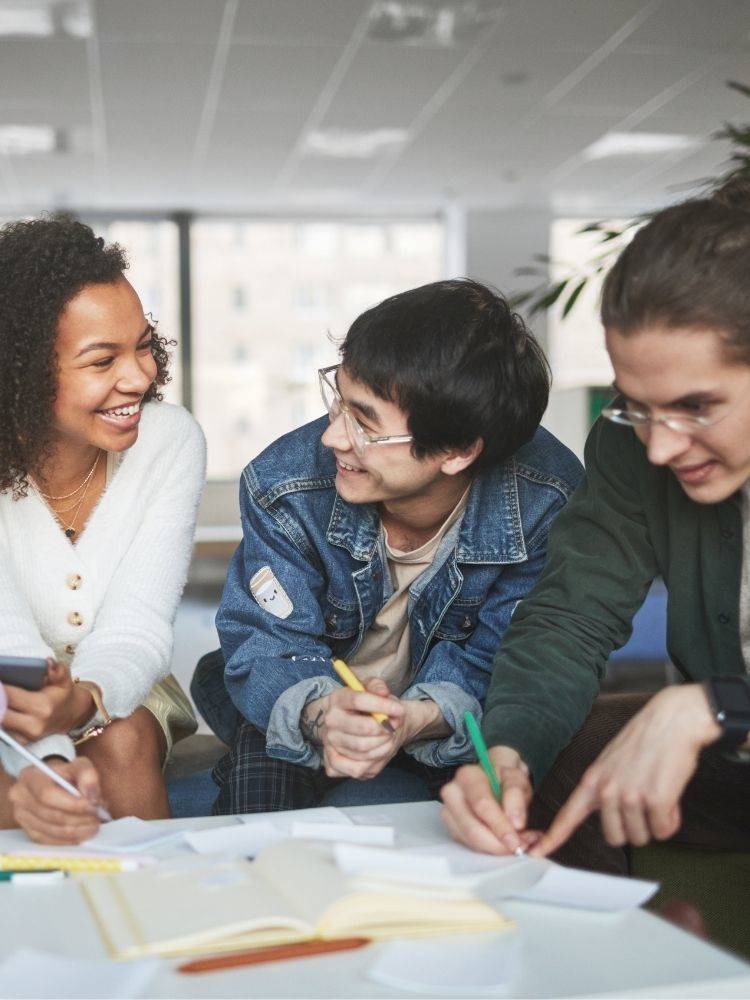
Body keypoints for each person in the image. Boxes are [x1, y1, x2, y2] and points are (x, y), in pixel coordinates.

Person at [440, 180, 750, 872]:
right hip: (729, 758)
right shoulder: (629, 446)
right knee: (553, 755)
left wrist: (718, 707)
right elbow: (570, 616)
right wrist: (508, 755)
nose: (660, 448)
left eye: (696, 407)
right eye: (636, 405)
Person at [193, 278, 583, 814]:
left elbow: (506, 663)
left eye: (365, 424)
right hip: (310, 683)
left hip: (444, 705)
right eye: (338, 402)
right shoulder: (285, 483)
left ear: (457, 451)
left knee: (488, 804)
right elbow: (268, 645)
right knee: (261, 782)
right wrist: (325, 715)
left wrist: (416, 719)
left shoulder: (545, 499)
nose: (332, 437)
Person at [0, 216, 206, 844]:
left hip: (123, 677)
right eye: (102, 360)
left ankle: (157, 900)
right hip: (6, 686)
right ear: (22, 371)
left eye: (143, 346)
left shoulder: (170, 440)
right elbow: (7, 637)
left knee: (121, 739)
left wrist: (85, 698)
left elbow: (137, 623)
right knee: (27, 789)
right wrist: (49, 758)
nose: (140, 377)